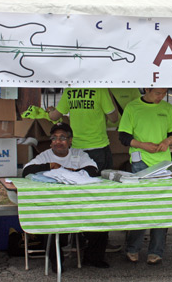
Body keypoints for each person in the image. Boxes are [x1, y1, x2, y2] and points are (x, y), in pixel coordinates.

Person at [22, 122, 110, 269]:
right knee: (48, 223)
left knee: (101, 219)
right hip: (54, 205)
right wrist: (50, 166)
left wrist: (70, 172)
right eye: (54, 138)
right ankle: (56, 261)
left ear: (70, 141)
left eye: (62, 138)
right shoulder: (45, 156)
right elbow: (26, 170)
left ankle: (93, 257)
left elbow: (93, 169)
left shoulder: (78, 154)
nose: (58, 142)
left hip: (80, 204)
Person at [47, 88, 121, 254]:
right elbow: (114, 118)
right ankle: (99, 242)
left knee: (78, 194)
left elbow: (54, 116)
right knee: (100, 197)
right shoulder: (99, 90)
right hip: (98, 148)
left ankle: (78, 238)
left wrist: (51, 110)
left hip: (77, 150)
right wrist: (109, 94)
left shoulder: (70, 90)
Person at [118, 88, 172, 265]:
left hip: (163, 163)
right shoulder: (132, 107)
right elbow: (123, 136)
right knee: (141, 205)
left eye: (164, 93)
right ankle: (133, 248)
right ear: (147, 89)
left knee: (161, 206)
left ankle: (156, 251)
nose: (161, 97)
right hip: (140, 161)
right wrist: (142, 145)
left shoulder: (167, 108)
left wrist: (167, 141)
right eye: (157, 93)